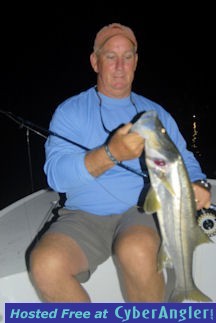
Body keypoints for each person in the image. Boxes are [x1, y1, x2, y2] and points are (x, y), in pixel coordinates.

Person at [29, 23, 211, 302]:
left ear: (136, 62)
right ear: (95, 61)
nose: (119, 66)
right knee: (46, 264)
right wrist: (110, 154)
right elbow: (56, 176)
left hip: (139, 210)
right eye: (110, 56)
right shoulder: (71, 111)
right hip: (82, 214)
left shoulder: (154, 114)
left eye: (127, 57)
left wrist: (197, 183)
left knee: (138, 250)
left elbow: (184, 157)